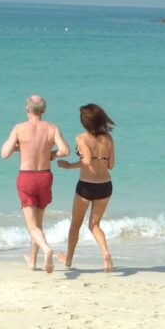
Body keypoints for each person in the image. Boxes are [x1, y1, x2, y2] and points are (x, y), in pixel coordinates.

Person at [0, 94, 69, 273]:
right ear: (43, 110)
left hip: (27, 177)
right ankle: (32, 261)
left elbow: (4, 154)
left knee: (32, 226)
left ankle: (46, 249)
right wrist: (51, 155)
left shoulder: (19, 128)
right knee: (38, 224)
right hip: (45, 177)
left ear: (27, 109)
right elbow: (65, 150)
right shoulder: (51, 128)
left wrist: (18, 148)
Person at [56, 103, 116, 272]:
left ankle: (68, 260)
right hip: (105, 185)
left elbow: (87, 161)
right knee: (94, 225)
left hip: (86, 186)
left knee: (75, 224)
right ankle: (105, 253)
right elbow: (111, 165)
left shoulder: (81, 138)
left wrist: (69, 165)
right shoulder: (108, 138)